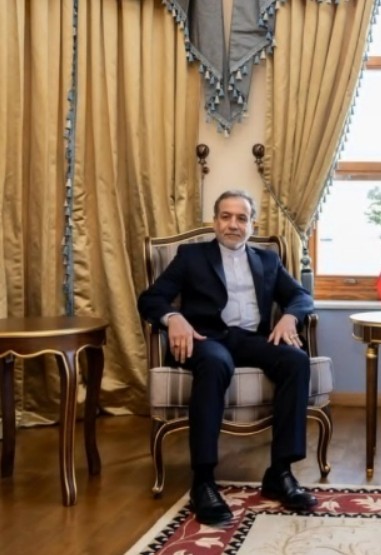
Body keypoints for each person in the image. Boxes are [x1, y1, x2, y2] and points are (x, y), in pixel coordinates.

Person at [138, 190, 317, 525]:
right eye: (226, 216)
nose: (233, 224)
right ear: (214, 221)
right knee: (216, 363)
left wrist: (290, 317)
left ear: (252, 225)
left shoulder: (267, 261)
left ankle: (280, 473)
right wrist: (173, 318)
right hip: (206, 338)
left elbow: (301, 296)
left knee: (295, 359)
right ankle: (203, 481)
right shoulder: (191, 256)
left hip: (251, 338)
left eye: (241, 218)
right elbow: (151, 298)